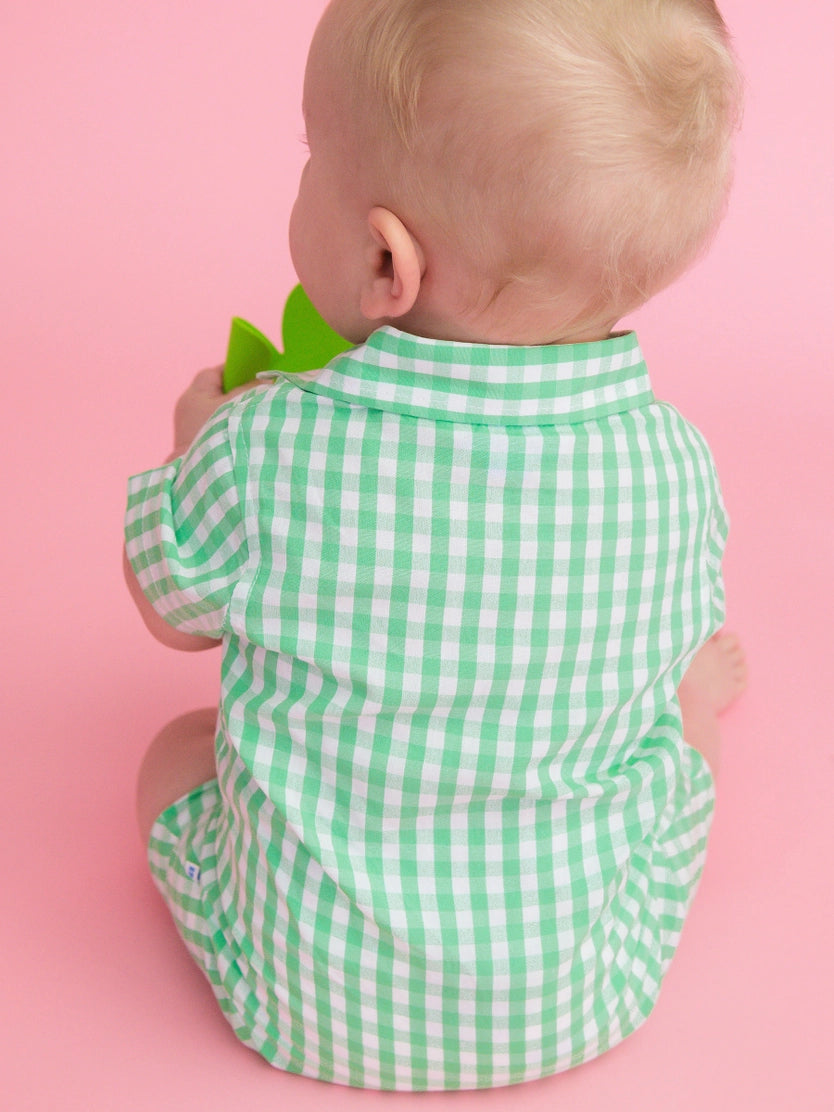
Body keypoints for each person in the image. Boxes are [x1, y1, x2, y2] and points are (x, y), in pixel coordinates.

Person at [124, 0, 746, 1090]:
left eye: (312, 155)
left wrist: (197, 452)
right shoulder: (676, 467)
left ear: (383, 259)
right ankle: (691, 707)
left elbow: (171, 612)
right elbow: (664, 614)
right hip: (591, 983)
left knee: (175, 751)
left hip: (298, 1001)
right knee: (663, 709)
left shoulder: (271, 445)